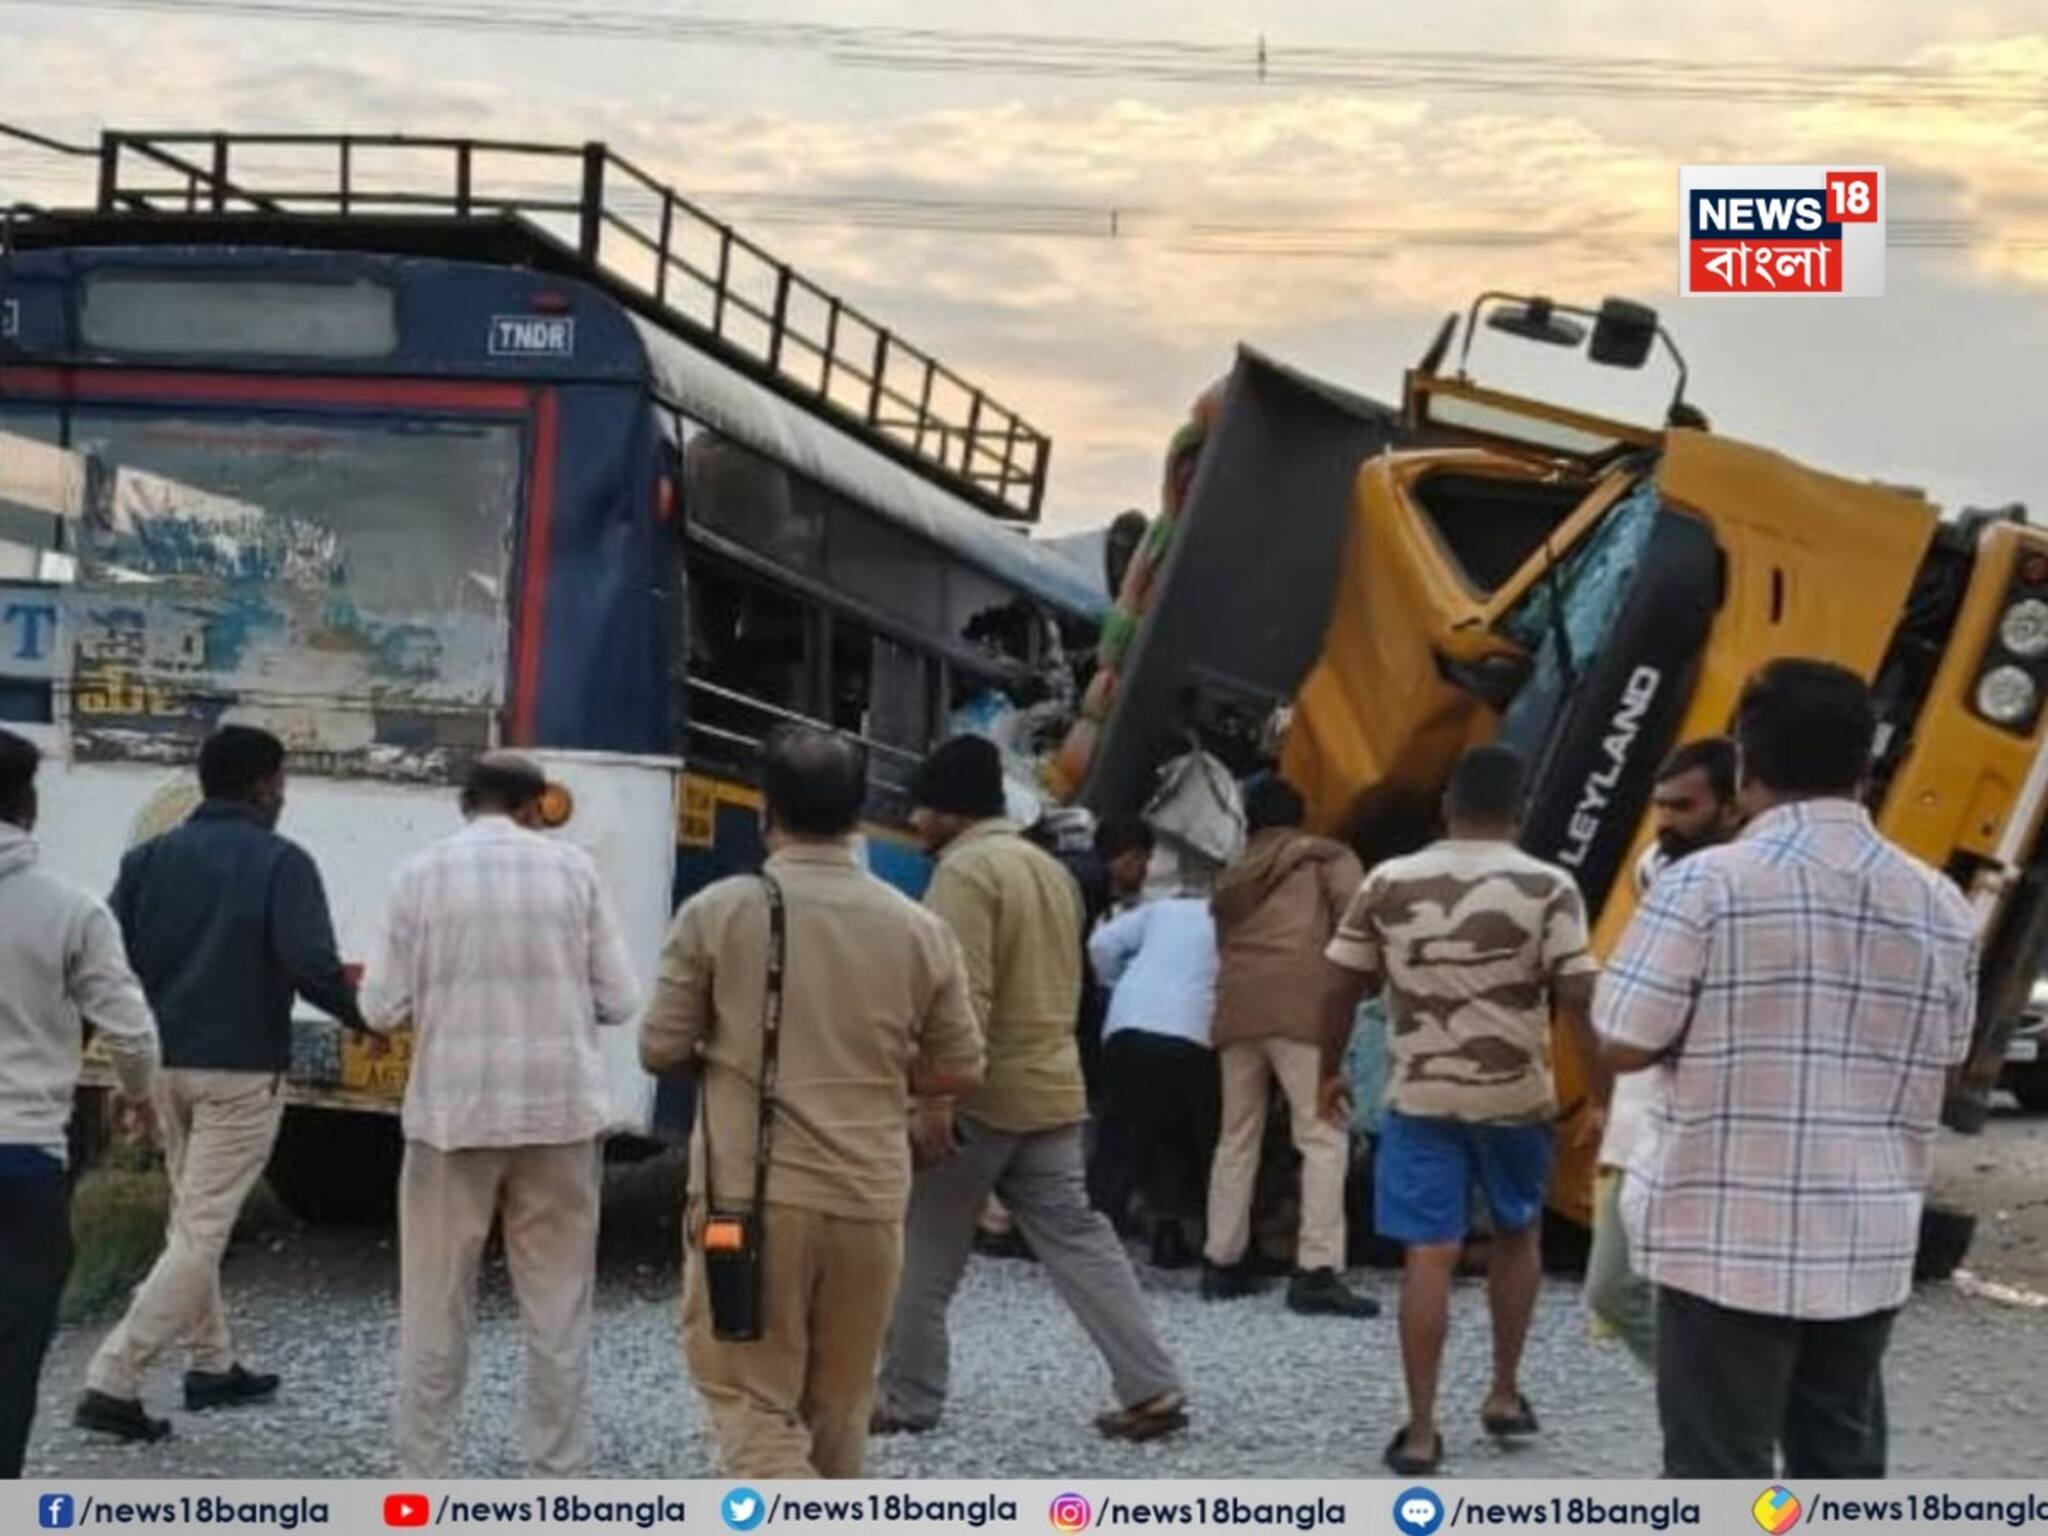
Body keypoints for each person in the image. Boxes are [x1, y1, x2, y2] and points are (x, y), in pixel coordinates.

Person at [1596, 662, 1977, 1478]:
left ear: (1744, 763)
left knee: (1718, 1476)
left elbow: (1624, 1038)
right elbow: (1942, 1071)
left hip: (1723, 1237)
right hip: (1866, 1242)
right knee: (1840, 1470)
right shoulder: (1940, 901)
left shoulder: (1705, 885)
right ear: (1866, 766)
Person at [640, 727, 983, 1479]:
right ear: (859, 813)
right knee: (839, 1407)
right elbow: (960, 1066)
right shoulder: (918, 926)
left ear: (768, 811)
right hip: (868, 1200)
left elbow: (658, 1049)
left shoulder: (718, 912)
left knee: (751, 1398)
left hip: (746, 1203)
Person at [874, 735, 1188, 1442]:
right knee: (1081, 1240)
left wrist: (934, 1101)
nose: (915, 820)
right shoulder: (1046, 869)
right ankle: (1151, 1384)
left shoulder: (966, 873)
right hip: (1052, 1088)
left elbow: (963, 999)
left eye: (923, 806)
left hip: (981, 1098)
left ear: (952, 809)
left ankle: (908, 1396)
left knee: (922, 1247)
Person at [79, 725, 372, 1444]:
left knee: (191, 1220)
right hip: (240, 1071)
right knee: (204, 1230)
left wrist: (125, 1065)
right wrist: (363, 1015)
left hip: (165, 1064)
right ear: (262, 784)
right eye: (281, 782)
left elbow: (113, 968)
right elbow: (309, 964)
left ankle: (212, 1364)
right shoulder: (282, 861)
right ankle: (114, 1377)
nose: (283, 795)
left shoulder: (145, 860)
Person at [1318, 744, 1600, 1475]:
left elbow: (1339, 988)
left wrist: (1327, 1071)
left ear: (1447, 804)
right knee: (1517, 1233)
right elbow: (1578, 1000)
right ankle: (1503, 1393)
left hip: (1420, 1097)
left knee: (1429, 1254)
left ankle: (1419, 1434)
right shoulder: (1550, 886)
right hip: (1515, 1098)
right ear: (1521, 809)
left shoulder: (1388, 880)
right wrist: (1603, 1096)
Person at [362, 752, 641, 1479]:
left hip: (451, 1116)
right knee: (556, 1304)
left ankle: (422, 1473)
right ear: (531, 806)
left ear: (467, 802)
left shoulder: (417, 876)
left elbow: (381, 1008)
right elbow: (620, 1000)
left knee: (434, 1302)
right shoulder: (576, 873)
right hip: (560, 1113)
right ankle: (556, 1472)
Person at [0, 729, 158, 1478]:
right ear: (28, 807)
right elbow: (131, 1030)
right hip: (24, 1160)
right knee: (13, 1347)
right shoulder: (71, 910)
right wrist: (136, 1099)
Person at [1583, 737, 1739, 1370]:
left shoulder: (1742, 886)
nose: (1667, 821)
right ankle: (1711, 1412)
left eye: (1684, 805)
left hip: (1721, 1133)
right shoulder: (1663, 872)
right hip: (1645, 1123)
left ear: (1733, 807)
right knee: (1615, 1287)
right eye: (1661, 805)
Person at [1203, 773, 1375, 1317]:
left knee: (1237, 1136)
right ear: (1300, 818)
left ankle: (1222, 1262)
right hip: (1303, 1007)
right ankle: (1316, 1271)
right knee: (1321, 1133)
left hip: (1237, 1009)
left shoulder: (1232, 874)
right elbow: (1359, 921)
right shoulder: (1325, 858)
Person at [1086, 887, 1220, 1270]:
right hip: (1195, 1033)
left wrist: (1114, 984)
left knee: (1119, 1140)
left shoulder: (1160, 909)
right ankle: (1177, 1235)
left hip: (1130, 1024)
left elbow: (1100, 944)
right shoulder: (1235, 919)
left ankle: (1091, 1245)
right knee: (1190, 1141)